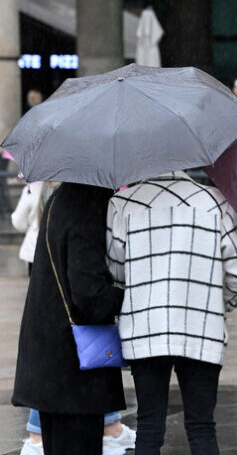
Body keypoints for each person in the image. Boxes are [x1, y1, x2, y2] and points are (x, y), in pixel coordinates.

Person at [106, 170, 237, 455]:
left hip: (145, 329)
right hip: (202, 329)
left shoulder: (122, 203)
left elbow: (116, 270)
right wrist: (215, 302)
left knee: (148, 427)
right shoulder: (216, 202)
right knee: (202, 427)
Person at [13, 183, 126, 455]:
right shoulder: (87, 204)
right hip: (73, 369)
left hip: (52, 361)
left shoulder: (61, 197)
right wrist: (128, 296)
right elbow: (90, 295)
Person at [11, 181, 44, 275]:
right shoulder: (67, 190)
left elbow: (18, 221)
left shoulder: (32, 189)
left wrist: (30, 228)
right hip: (61, 251)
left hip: (34, 249)